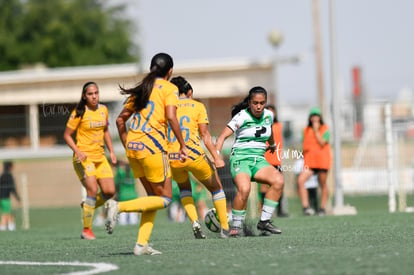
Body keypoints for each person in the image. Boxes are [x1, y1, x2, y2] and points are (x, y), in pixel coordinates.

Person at [105, 52, 188, 256]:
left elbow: (119, 121)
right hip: (153, 149)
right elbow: (171, 116)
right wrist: (182, 144)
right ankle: (119, 207)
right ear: (170, 72)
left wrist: (128, 145)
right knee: (166, 198)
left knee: (152, 197)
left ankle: (141, 244)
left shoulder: (143, 88)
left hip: (134, 147)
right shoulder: (170, 88)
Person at [215, 86, 284, 237]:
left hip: (259, 160)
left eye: (262, 102)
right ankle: (236, 227)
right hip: (240, 159)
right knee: (244, 189)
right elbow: (221, 138)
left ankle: (264, 221)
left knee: (278, 180)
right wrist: (217, 156)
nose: (259, 106)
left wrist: (272, 145)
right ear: (250, 102)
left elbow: (269, 130)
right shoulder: (241, 117)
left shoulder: (268, 115)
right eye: (255, 103)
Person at [168, 76, 229, 239]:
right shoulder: (197, 106)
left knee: (185, 189)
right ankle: (225, 227)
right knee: (217, 188)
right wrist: (216, 157)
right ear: (189, 92)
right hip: (193, 155)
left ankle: (195, 222)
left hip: (173, 157)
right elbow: (205, 135)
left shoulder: (166, 107)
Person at [63, 81, 117, 240]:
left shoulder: (103, 110)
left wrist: (112, 151)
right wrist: (78, 152)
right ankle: (87, 230)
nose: (94, 96)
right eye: (90, 94)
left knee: (109, 192)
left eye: (96, 93)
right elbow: (66, 135)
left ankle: (88, 205)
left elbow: (106, 130)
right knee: (92, 190)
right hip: (84, 159)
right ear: (84, 96)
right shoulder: (78, 112)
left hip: (100, 158)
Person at [297, 107, 332, 216]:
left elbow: (322, 143)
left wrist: (316, 130)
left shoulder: (325, 129)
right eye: (313, 116)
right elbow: (305, 145)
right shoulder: (305, 130)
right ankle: (306, 207)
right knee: (301, 180)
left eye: (316, 116)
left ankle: (322, 208)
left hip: (322, 161)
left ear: (320, 117)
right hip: (310, 162)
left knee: (323, 184)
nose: (314, 118)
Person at [259, 104, 289, 217]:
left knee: (279, 185)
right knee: (263, 186)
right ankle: (263, 211)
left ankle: (280, 210)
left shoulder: (279, 125)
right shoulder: (262, 125)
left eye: (273, 112)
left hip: (276, 160)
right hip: (265, 160)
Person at [0, 161, 20, 231]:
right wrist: (17, 198)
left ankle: (10, 227)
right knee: (6, 214)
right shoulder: (9, 176)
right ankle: (5, 228)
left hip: (2, 198)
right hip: (5, 198)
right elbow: (12, 188)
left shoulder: (2, 176)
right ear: (10, 167)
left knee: (7, 213)